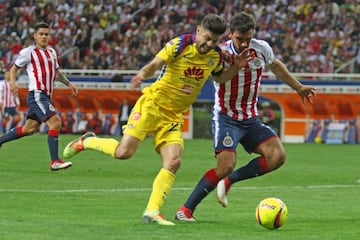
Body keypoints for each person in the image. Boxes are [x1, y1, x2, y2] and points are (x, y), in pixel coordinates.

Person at [62, 13, 254, 226]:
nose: (209, 44)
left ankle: (152, 211)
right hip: (152, 106)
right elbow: (156, 62)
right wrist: (142, 75)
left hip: (173, 116)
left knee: (173, 161)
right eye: (207, 38)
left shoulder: (216, 56)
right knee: (123, 153)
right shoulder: (180, 44)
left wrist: (236, 67)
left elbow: (219, 78)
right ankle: (86, 141)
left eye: (214, 41)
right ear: (198, 31)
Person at [175, 11, 316, 221]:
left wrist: (298, 87)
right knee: (225, 165)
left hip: (250, 119)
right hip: (226, 118)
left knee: (278, 156)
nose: (243, 44)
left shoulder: (261, 49)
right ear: (230, 33)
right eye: (239, 38)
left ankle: (229, 181)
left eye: (247, 39)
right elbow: (218, 80)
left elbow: (275, 66)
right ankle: (185, 210)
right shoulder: (220, 54)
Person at [0, 22, 79, 171]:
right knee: (55, 122)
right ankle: (55, 161)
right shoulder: (28, 52)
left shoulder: (52, 52)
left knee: (29, 129)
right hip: (37, 94)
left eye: (46, 34)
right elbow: (13, 69)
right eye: (41, 34)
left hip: (46, 96)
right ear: (35, 36)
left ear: (49, 36)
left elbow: (56, 73)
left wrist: (69, 84)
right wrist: (13, 84)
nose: (43, 36)